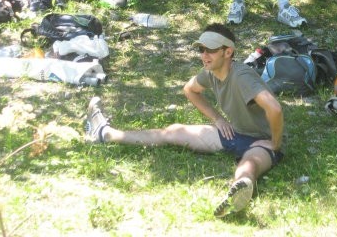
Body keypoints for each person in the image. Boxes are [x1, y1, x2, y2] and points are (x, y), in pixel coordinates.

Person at [85, 23, 284, 217]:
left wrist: (274, 143)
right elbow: (190, 90)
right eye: (201, 49)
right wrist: (218, 119)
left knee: (249, 164)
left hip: (262, 140)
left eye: (211, 50)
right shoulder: (211, 72)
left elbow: (274, 108)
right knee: (174, 131)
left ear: (228, 52)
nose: (204, 55)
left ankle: (239, 191)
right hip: (235, 133)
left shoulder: (241, 76)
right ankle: (106, 133)